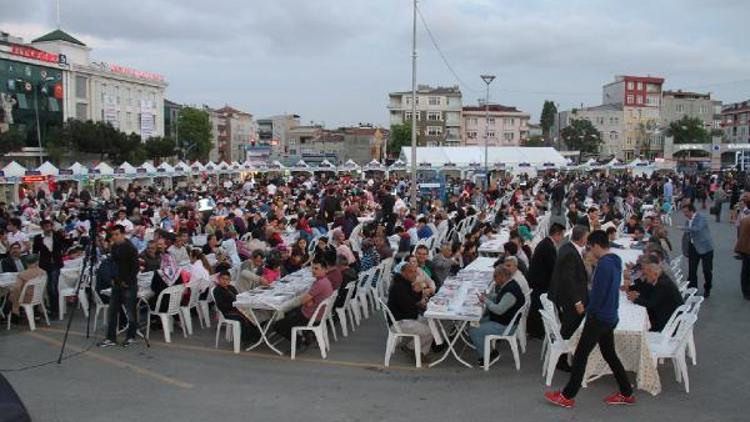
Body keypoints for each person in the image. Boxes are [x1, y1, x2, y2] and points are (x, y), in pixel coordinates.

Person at [545, 230, 635, 408]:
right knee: (610, 354)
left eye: (590, 247)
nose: (589, 251)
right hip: (611, 316)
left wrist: (587, 312)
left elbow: (597, 295)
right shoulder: (616, 260)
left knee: (580, 356)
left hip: (598, 318)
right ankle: (626, 392)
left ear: (595, 245)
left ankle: (567, 395)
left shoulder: (603, 265)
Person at [468, 265, 525, 366]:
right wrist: (487, 296)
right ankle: (486, 348)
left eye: (495, 276)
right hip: (503, 320)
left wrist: (485, 300)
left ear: (503, 277)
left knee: (474, 330)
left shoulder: (510, 292)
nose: (494, 279)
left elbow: (499, 310)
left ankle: (487, 357)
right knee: (476, 322)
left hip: (505, 325)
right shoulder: (510, 284)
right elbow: (499, 297)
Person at [274, 260, 334, 348]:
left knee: (277, 325)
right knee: (289, 313)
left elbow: (303, 300)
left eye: (316, 269)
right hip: (318, 313)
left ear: (325, 270)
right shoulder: (325, 281)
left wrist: (306, 300)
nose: (313, 270)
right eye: (312, 268)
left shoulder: (320, 283)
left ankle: (299, 340)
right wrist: (309, 300)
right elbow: (308, 299)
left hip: (310, 316)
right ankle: (305, 334)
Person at [99, 225, 140, 348]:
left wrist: (127, 281)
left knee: (130, 312)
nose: (115, 237)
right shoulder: (114, 247)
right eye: (113, 235)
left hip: (128, 284)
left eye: (117, 234)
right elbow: (113, 264)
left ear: (123, 234)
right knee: (112, 312)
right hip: (116, 284)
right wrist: (112, 278)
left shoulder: (130, 248)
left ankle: (131, 336)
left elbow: (135, 267)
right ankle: (111, 337)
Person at [386, 262, 435, 361]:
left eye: (415, 272)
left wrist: (418, 292)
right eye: (410, 272)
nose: (414, 274)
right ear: (403, 272)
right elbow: (409, 306)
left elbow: (413, 302)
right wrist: (418, 297)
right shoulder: (399, 287)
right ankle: (413, 350)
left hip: (407, 316)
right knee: (430, 331)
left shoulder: (406, 283)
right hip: (400, 322)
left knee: (433, 324)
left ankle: (417, 350)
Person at [548, 225, 590, 340]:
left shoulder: (567, 247)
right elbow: (568, 279)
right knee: (570, 328)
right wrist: (577, 302)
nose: (587, 240)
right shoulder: (571, 253)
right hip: (569, 299)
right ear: (581, 238)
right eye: (586, 237)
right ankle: (564, 353)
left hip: (568, 295)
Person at [526, 222, 564, 339]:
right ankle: (536, 332)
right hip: (539, 282)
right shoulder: (548, 246)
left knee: (537, 307)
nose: (562, 238)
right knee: (538, 307)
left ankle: (535, 330)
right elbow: (552, 267)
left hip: (538, 279)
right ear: (557, 234)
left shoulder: (547, 243)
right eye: (562, 235)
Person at [626, 256, 683, 332]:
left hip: (668, 322)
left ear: (655, 274)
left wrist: (635, 299)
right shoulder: (660, 278)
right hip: (668, 314)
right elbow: (647, 289)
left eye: (646, 275)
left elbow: (651, 303)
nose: (645, 277)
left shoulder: (662, 284)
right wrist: (632, 290)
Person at [213, 270, 260, 347]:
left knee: (252, 314)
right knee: (243, 318)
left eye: (227, 279)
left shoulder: (231, 287)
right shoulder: (217, 290)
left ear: (229, 280)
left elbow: (237, 297)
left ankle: (255, 335)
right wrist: (234, 304)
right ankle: (246, 339)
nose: (225, 281)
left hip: (236, 308)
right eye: (223, 279)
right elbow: (221, 306)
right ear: (219, 279)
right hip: (227, 312)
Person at [32, 220, 65, 318]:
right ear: (42, 228)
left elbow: (64, 244)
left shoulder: (57, 236)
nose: (48, 228)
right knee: (45, 287)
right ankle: (48, 307)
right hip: (44, 264)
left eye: (49, 226)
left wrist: (58, 233)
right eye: (46, 226)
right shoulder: (38, 238)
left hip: (55, 263)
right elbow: (35, 251)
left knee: (52, 286)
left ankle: (55, 310)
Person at [681, 203, 714, 297]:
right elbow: (686, 236)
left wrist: (684, 228)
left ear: (692, 211)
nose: (685, 214)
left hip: (706, 248)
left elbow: (697, 229)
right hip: (693, 247)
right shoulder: (688, 220)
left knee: (707, 270)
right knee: (692, 270)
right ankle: (693, 289)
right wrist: (685, 249)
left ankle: (707, 288)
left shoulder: (701, 217)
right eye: (684, 212)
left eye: (686, 212)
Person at [6, 253, 46, 323]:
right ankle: (34, 314)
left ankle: (13, 317)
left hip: (26, 298)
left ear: (26, 263)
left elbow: (17, 288)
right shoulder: (43, 272)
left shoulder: (22, 274)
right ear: (37, 262)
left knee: (9, 295)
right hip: (38, 297)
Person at [735, 206, 750, 300]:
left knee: (745, 271)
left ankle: (746, 291)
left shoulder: (745, 219)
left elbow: (740, 235)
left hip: (745, 248)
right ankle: (747, 291)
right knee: (747, 271)